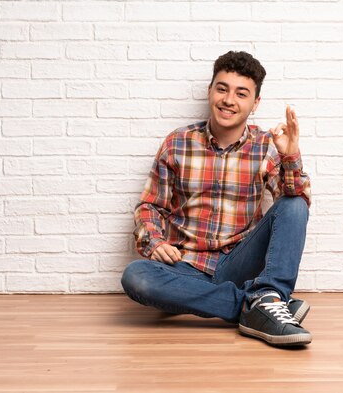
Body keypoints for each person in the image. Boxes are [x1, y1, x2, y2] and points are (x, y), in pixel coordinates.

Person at [121, 51, 312, 348]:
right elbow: (150, 206)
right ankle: (262, 303)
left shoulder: (266, 145)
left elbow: (295, 203)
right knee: (137, 277)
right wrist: (155, 241)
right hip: (185, 266)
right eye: (222, 88)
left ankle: (267, 294)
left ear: (255, 103)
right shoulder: (178, 142)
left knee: (294, 202)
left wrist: (289, 155)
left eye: (241, 93)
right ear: (210, 91)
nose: (228, 100)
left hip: (240, 263)